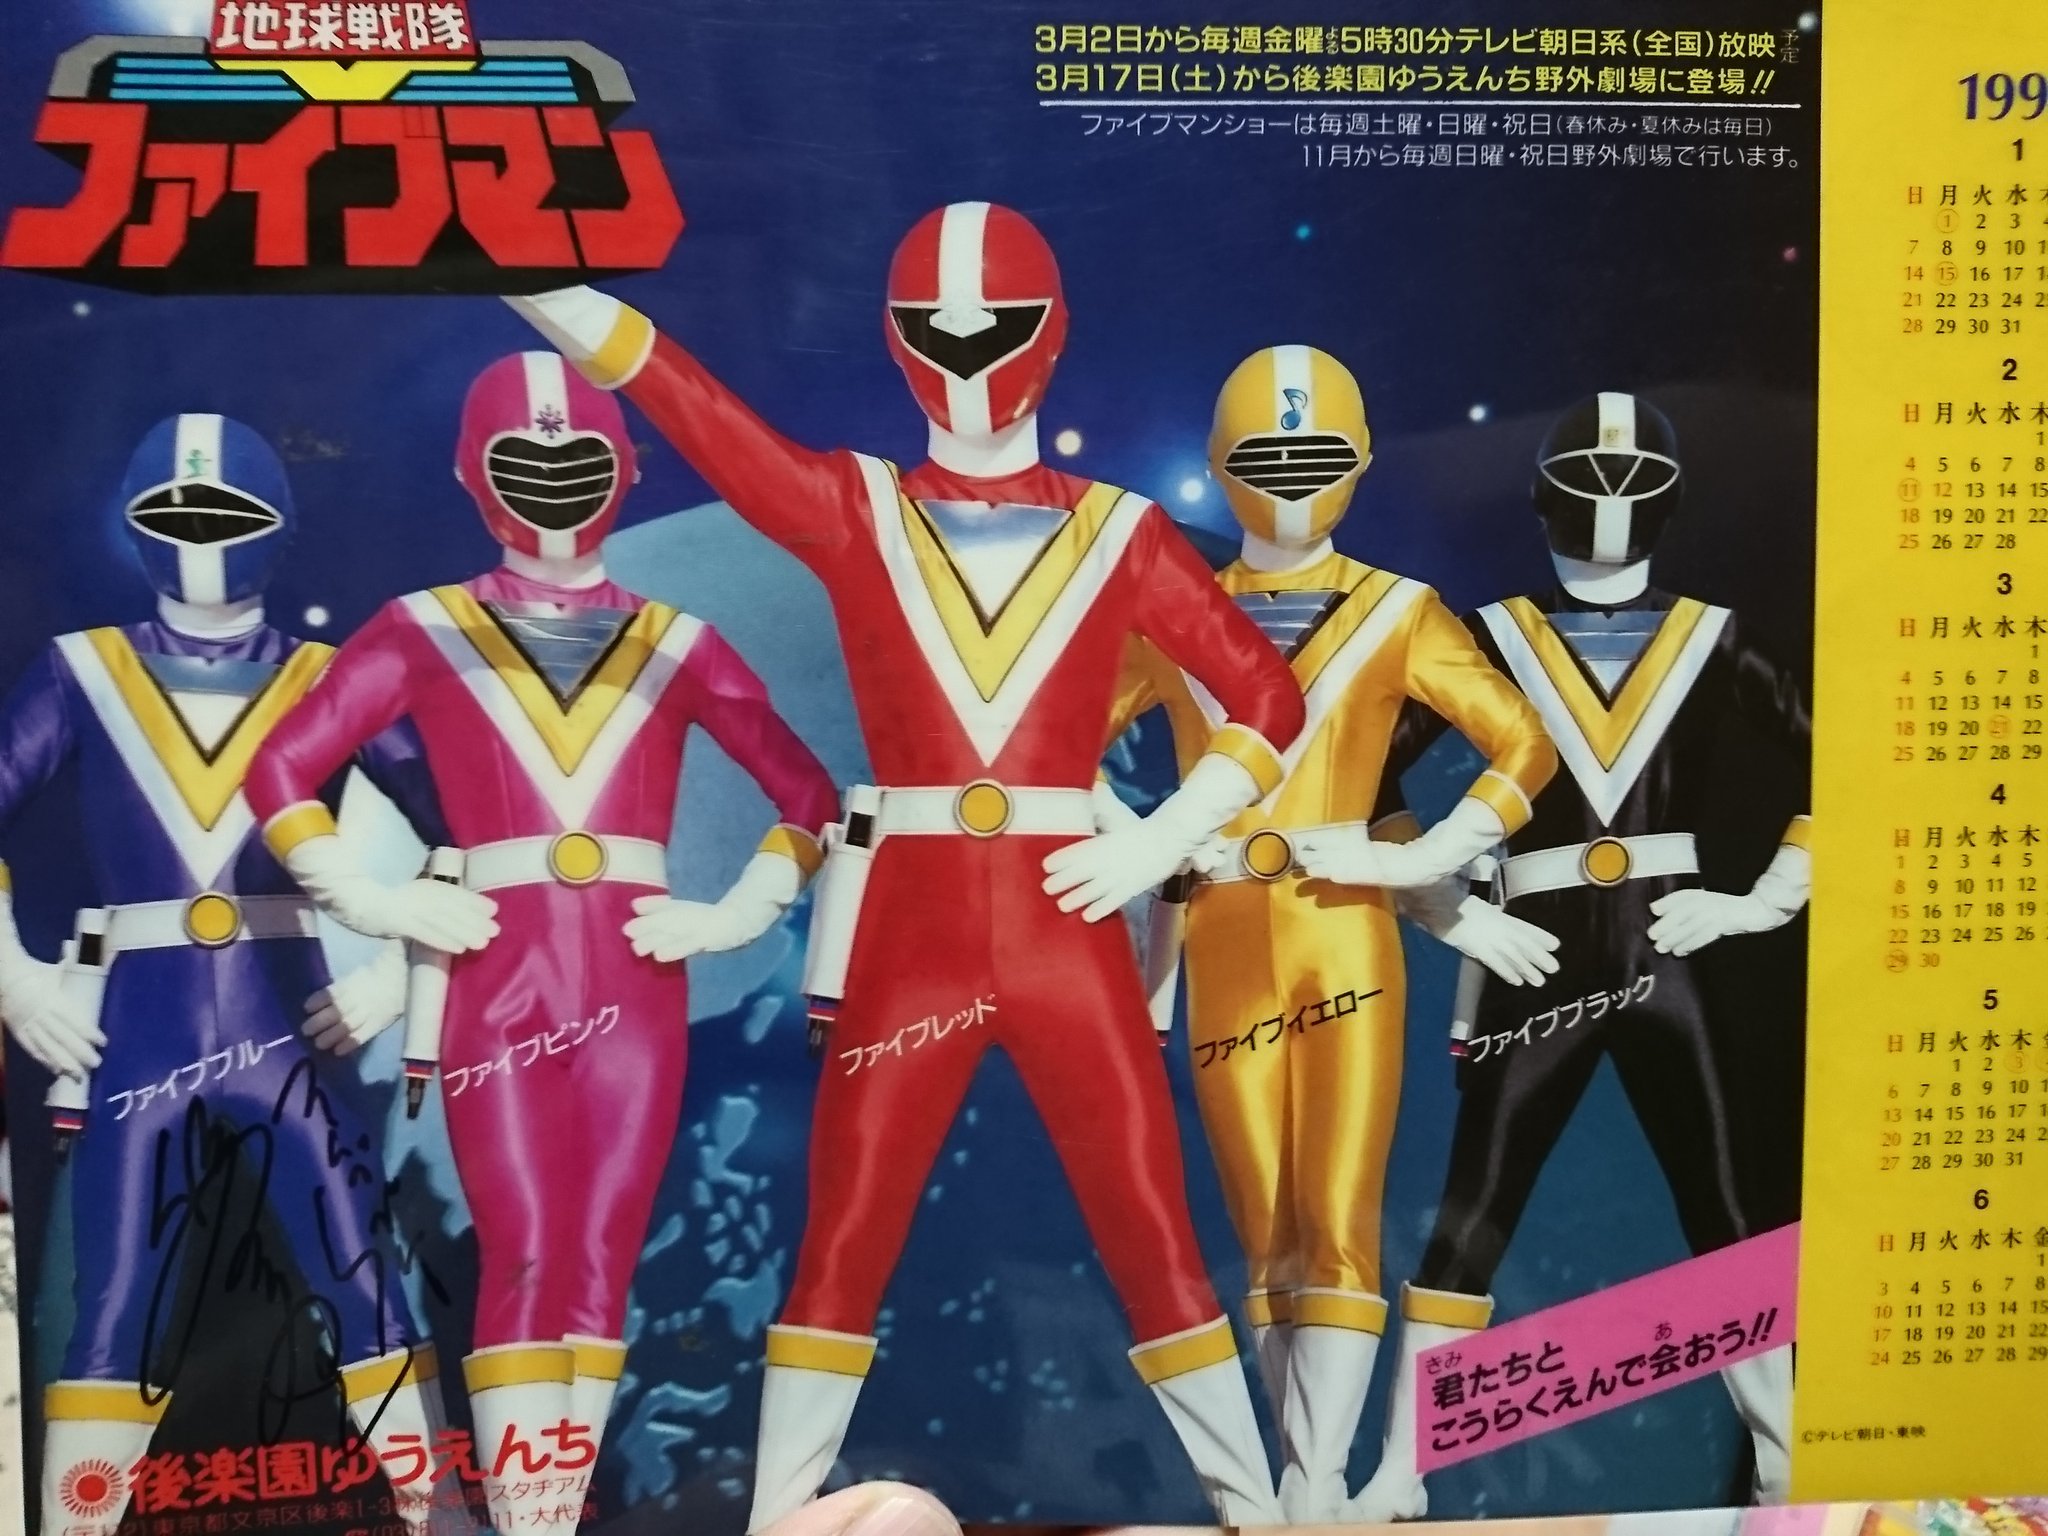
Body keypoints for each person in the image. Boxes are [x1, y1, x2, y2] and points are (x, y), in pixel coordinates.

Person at [504, 199, 1307, 1529]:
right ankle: (779, 1517)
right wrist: (540, 282)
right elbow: (690, 403)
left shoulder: (1117, 532)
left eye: (996, 324)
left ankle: (1261, 1513)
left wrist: (1162, 839)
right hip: (918, 930)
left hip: (1059, 917)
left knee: (1150, 1228)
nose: (969, 351)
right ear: (895, 336)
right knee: (846, 1235)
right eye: (939, 326)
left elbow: (1266, 699)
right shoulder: (853, 507)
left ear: (1049, 333)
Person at [244, 355, 838, 1534]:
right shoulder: (423, 626)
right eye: (525, 457)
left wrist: (732, 914)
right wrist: (380, 904)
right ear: (474, 474)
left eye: (579, 457)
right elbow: (281, 768)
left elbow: (808, 795)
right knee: (521, 1244)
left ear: (625, 469)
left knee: (601, 1253)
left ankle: (548, 1515)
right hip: (498, 977)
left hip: (633, 980)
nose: (555, 480)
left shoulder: (677, 640)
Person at [1104, 344, 1555, 1521]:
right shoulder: (1171, 617)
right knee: (1262, 1221)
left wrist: (1415, 860)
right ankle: (1298, 1474)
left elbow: (1523, 743)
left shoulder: (1400, 611)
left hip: (1344, 930)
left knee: (1340, 1208)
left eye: (1316, 456)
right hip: (1220, 935)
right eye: (1266, 456)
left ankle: (1315, 1475)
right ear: (1219, 467)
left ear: (1356, 461)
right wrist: (1141, 846)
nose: (1291, 481)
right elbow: (1052, 747)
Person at [1353, 392, 1810, 1519]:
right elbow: (1363, 772)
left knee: (1726, 1208)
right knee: (1471, 1213)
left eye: (1629, 480)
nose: (1608, 500)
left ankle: (1785, 1459)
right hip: (1540, 957)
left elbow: (1844, 764)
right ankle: (1403, 1467)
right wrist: (1447, 911)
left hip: (1664, 948)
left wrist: (1759, 904)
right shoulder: (1489, 636)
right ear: (1547, 495)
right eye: (1590, 479)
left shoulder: (1714, 635)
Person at [0, 414, 457, 1536]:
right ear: (134, 524)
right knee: (113, 1308)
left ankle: (438, 1515)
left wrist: (401, 976)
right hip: (140, 1035)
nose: (201, 533)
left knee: (362, 1283)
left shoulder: (331, 678)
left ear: (277, 524)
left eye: (225, 510)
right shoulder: (79, 670)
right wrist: (14, 978)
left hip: (285, 1023)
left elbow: (465, 838)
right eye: (176, 510)